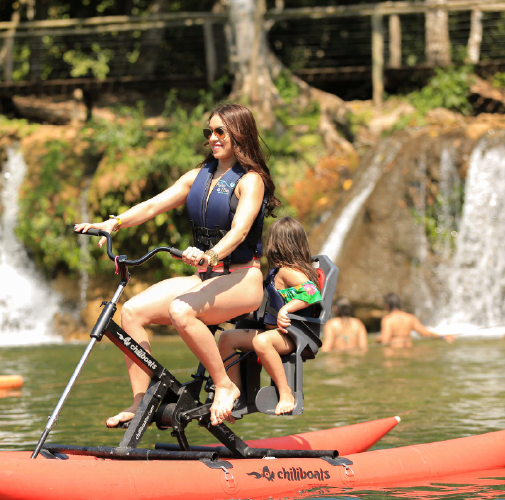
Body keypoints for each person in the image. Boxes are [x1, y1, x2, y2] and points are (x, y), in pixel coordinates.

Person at [74, 103, 280, 427]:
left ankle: (226, 386)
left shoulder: (250, 180)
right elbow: (154, 204)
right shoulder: (198, 177)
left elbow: (240, 231)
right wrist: (114, 223)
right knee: (131, 313)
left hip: (242, 280)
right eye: (208, 132)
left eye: (220, 131)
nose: (212, 138)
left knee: (181, 310)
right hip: (205, 279)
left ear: (239, 133)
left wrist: (210, 255)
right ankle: (140, 402)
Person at [217, 217, 322, 416]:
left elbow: (311, 292)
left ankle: (286, 394)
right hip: (273, 333)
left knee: (262, 342)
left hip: (292, 336)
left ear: (275, 244)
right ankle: (235, 393)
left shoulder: (289, 271)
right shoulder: (276, 272)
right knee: (226, 339)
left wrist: (286, 310)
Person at [378, 293, 454, 347]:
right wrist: (442, 337)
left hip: (394, 353)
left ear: (388, 305)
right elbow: (425, 333)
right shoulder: (410, 317)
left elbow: (385, 341)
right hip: (409, 351)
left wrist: (378, 339)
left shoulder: (387, 320)